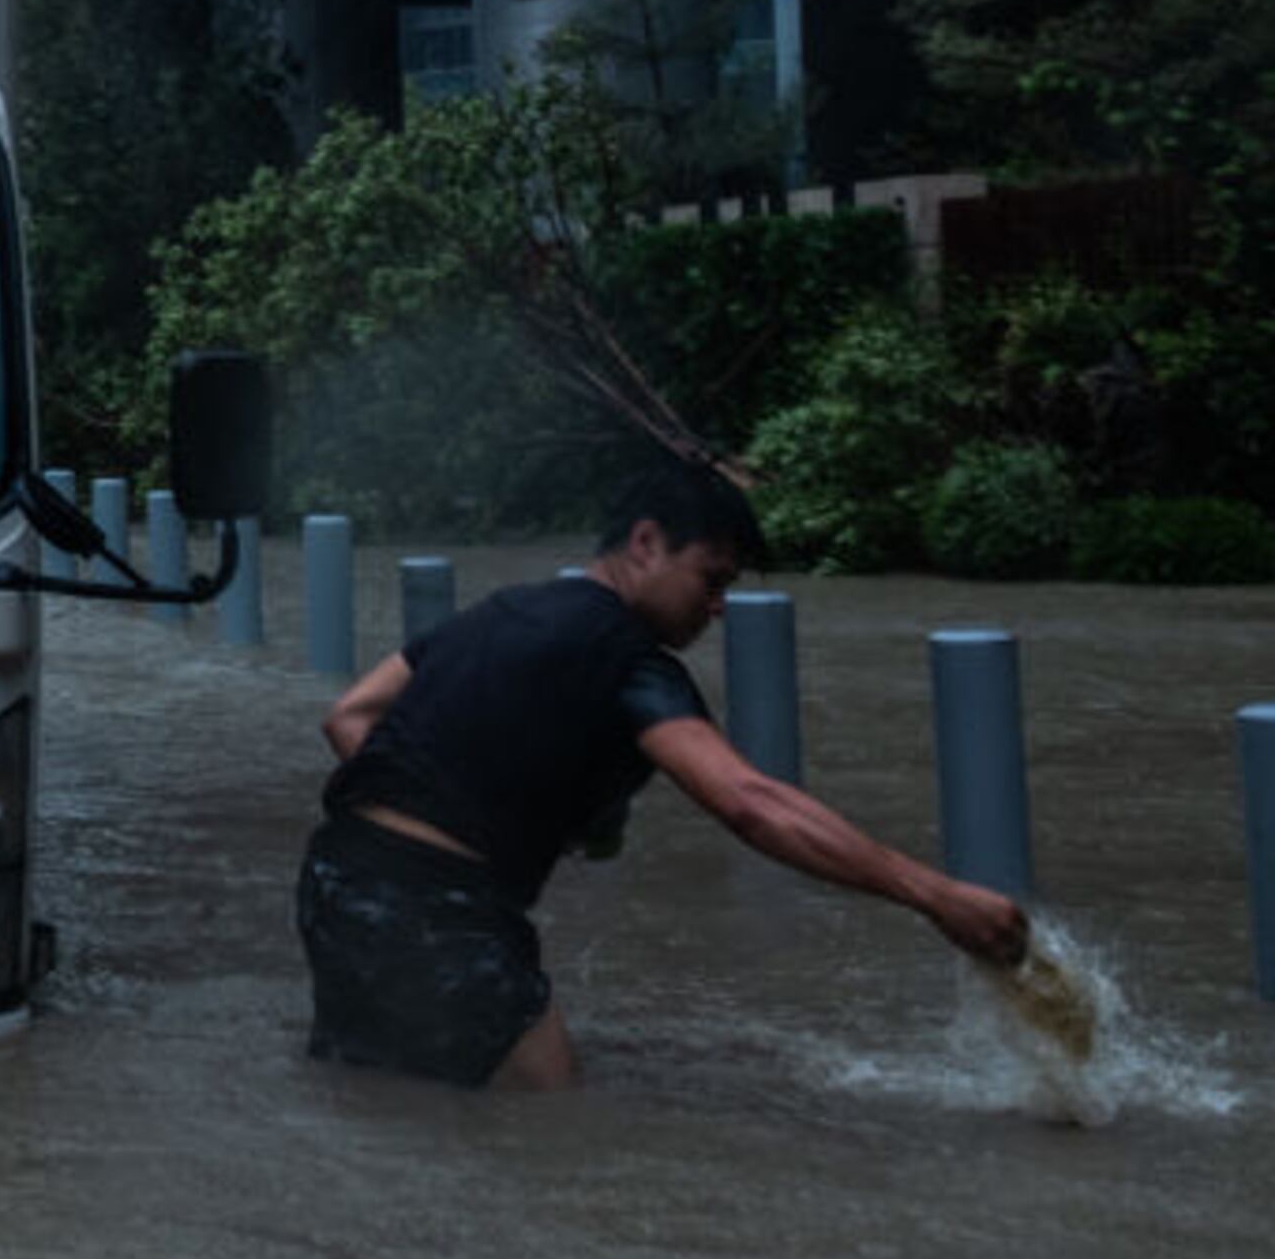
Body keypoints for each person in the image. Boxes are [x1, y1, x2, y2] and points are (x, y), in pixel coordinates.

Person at [294, 460, 1028, 1091]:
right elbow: (749, 801)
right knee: (553, 1122)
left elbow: (351, 716)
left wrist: (462, 798)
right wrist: (934, 895)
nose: (716, 606)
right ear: (645, 543)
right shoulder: (630, 660)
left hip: (334, 882)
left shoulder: (500, 611)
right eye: (710, 579)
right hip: (436, 914)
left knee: (390, 1100)